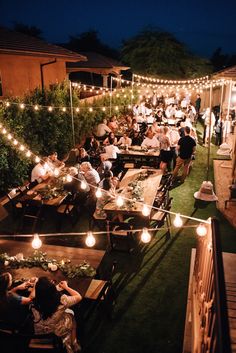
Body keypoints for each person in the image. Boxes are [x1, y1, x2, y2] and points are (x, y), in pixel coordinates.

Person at [32, 276, 82, 353]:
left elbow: (37, 295)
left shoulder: (34, 302)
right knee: (71, 316)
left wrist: (36, 284)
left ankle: (73, 342)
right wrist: (66, 287)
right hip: (55, 332)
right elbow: (79, 297)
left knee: (67, 314)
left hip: (39, 332)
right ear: (53, 290)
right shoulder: (62, 300)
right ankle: (74, 342)